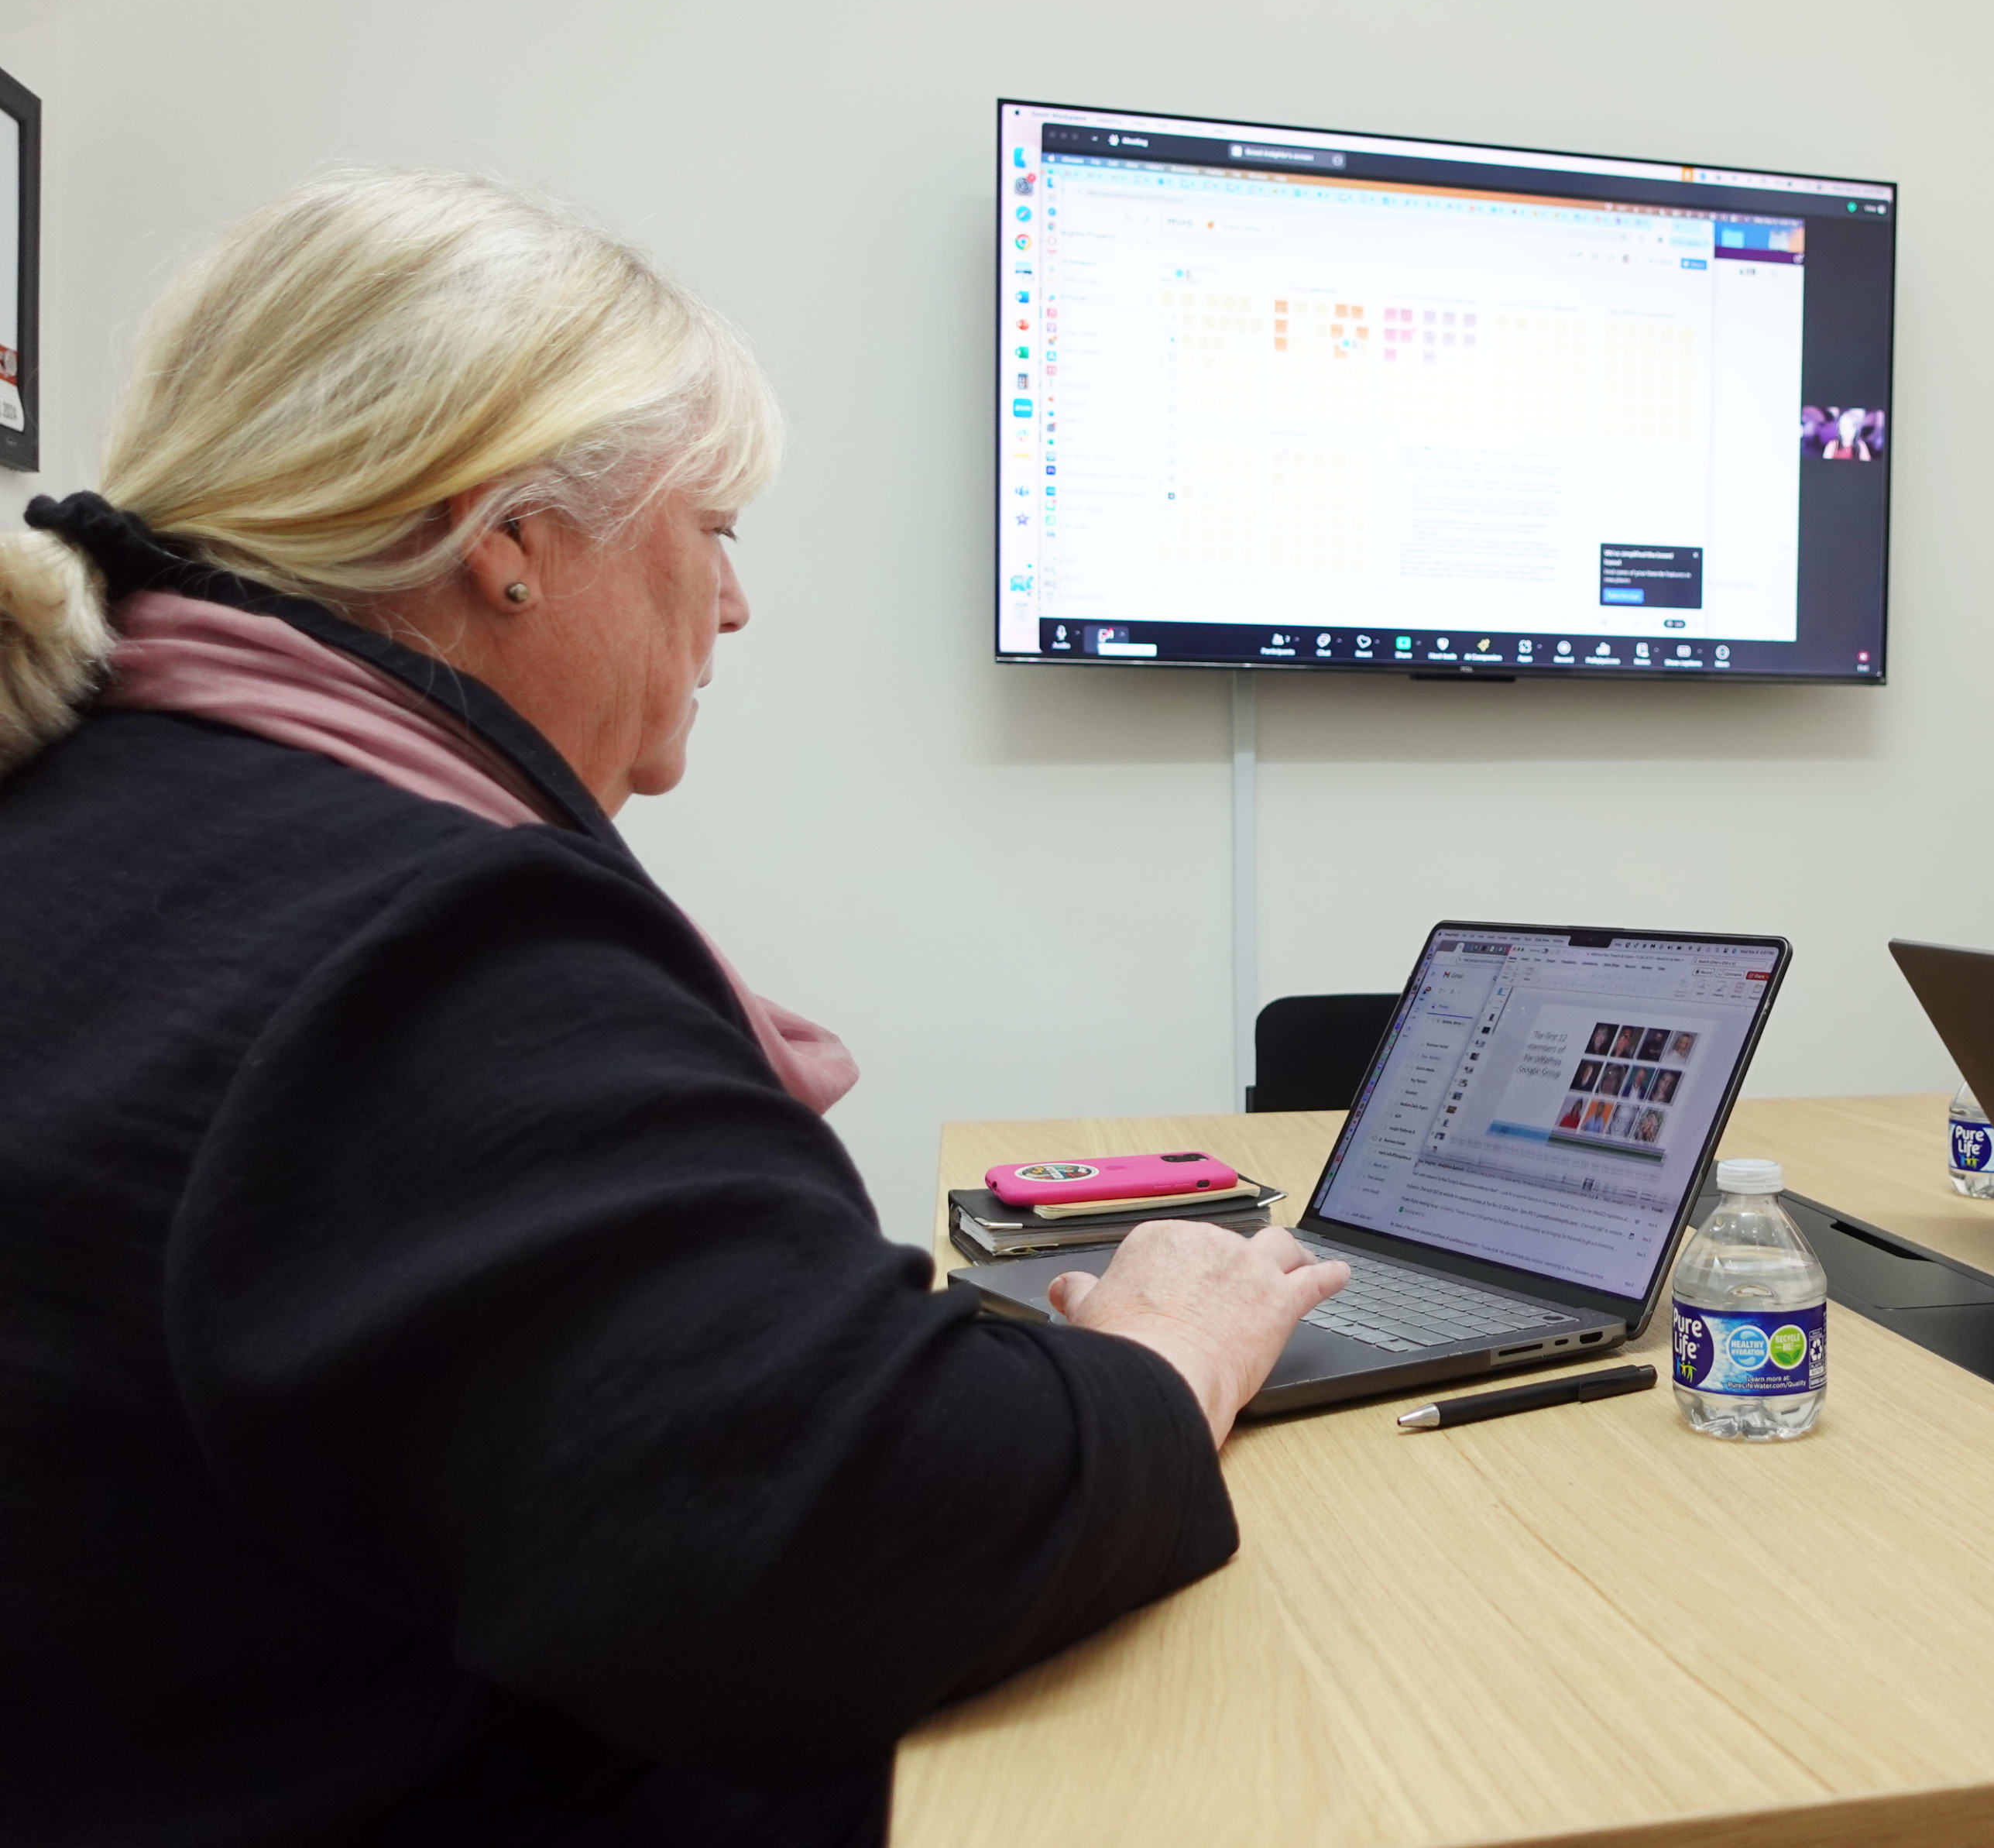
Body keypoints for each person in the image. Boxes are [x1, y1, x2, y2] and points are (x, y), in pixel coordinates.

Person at [0, 169, 1345, 1844]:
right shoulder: (423, 948)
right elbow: (864, 1544)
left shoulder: (111, 817)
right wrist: (1168, 1350)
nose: (733, 604)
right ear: (508, 540)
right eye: (711, 530)